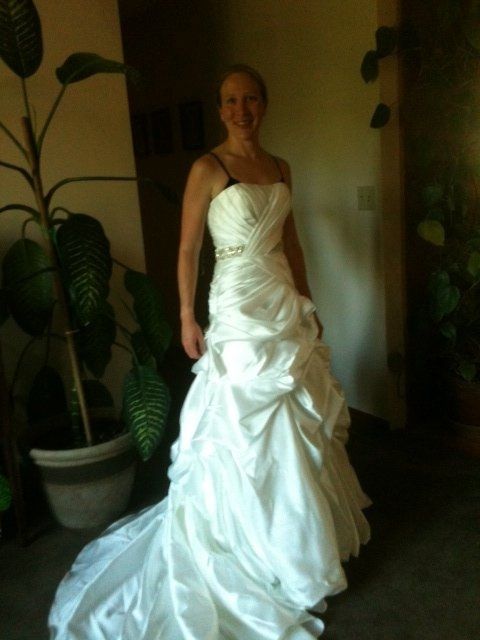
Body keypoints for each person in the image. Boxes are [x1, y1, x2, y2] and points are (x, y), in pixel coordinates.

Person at [48, 64, 371, 640]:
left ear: (264, 104)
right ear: (220, 109)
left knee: (296, 416)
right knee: (245, 416)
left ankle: (298, 543)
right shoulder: (207, 168)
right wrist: (185, 315)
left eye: (251, 99)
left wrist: (308, 302)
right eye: (230, 101)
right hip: (238, 305)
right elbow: (189, 248)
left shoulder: (282, 168)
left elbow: (291, 242)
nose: (241, 110)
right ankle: (248, 546)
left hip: (280, 300)